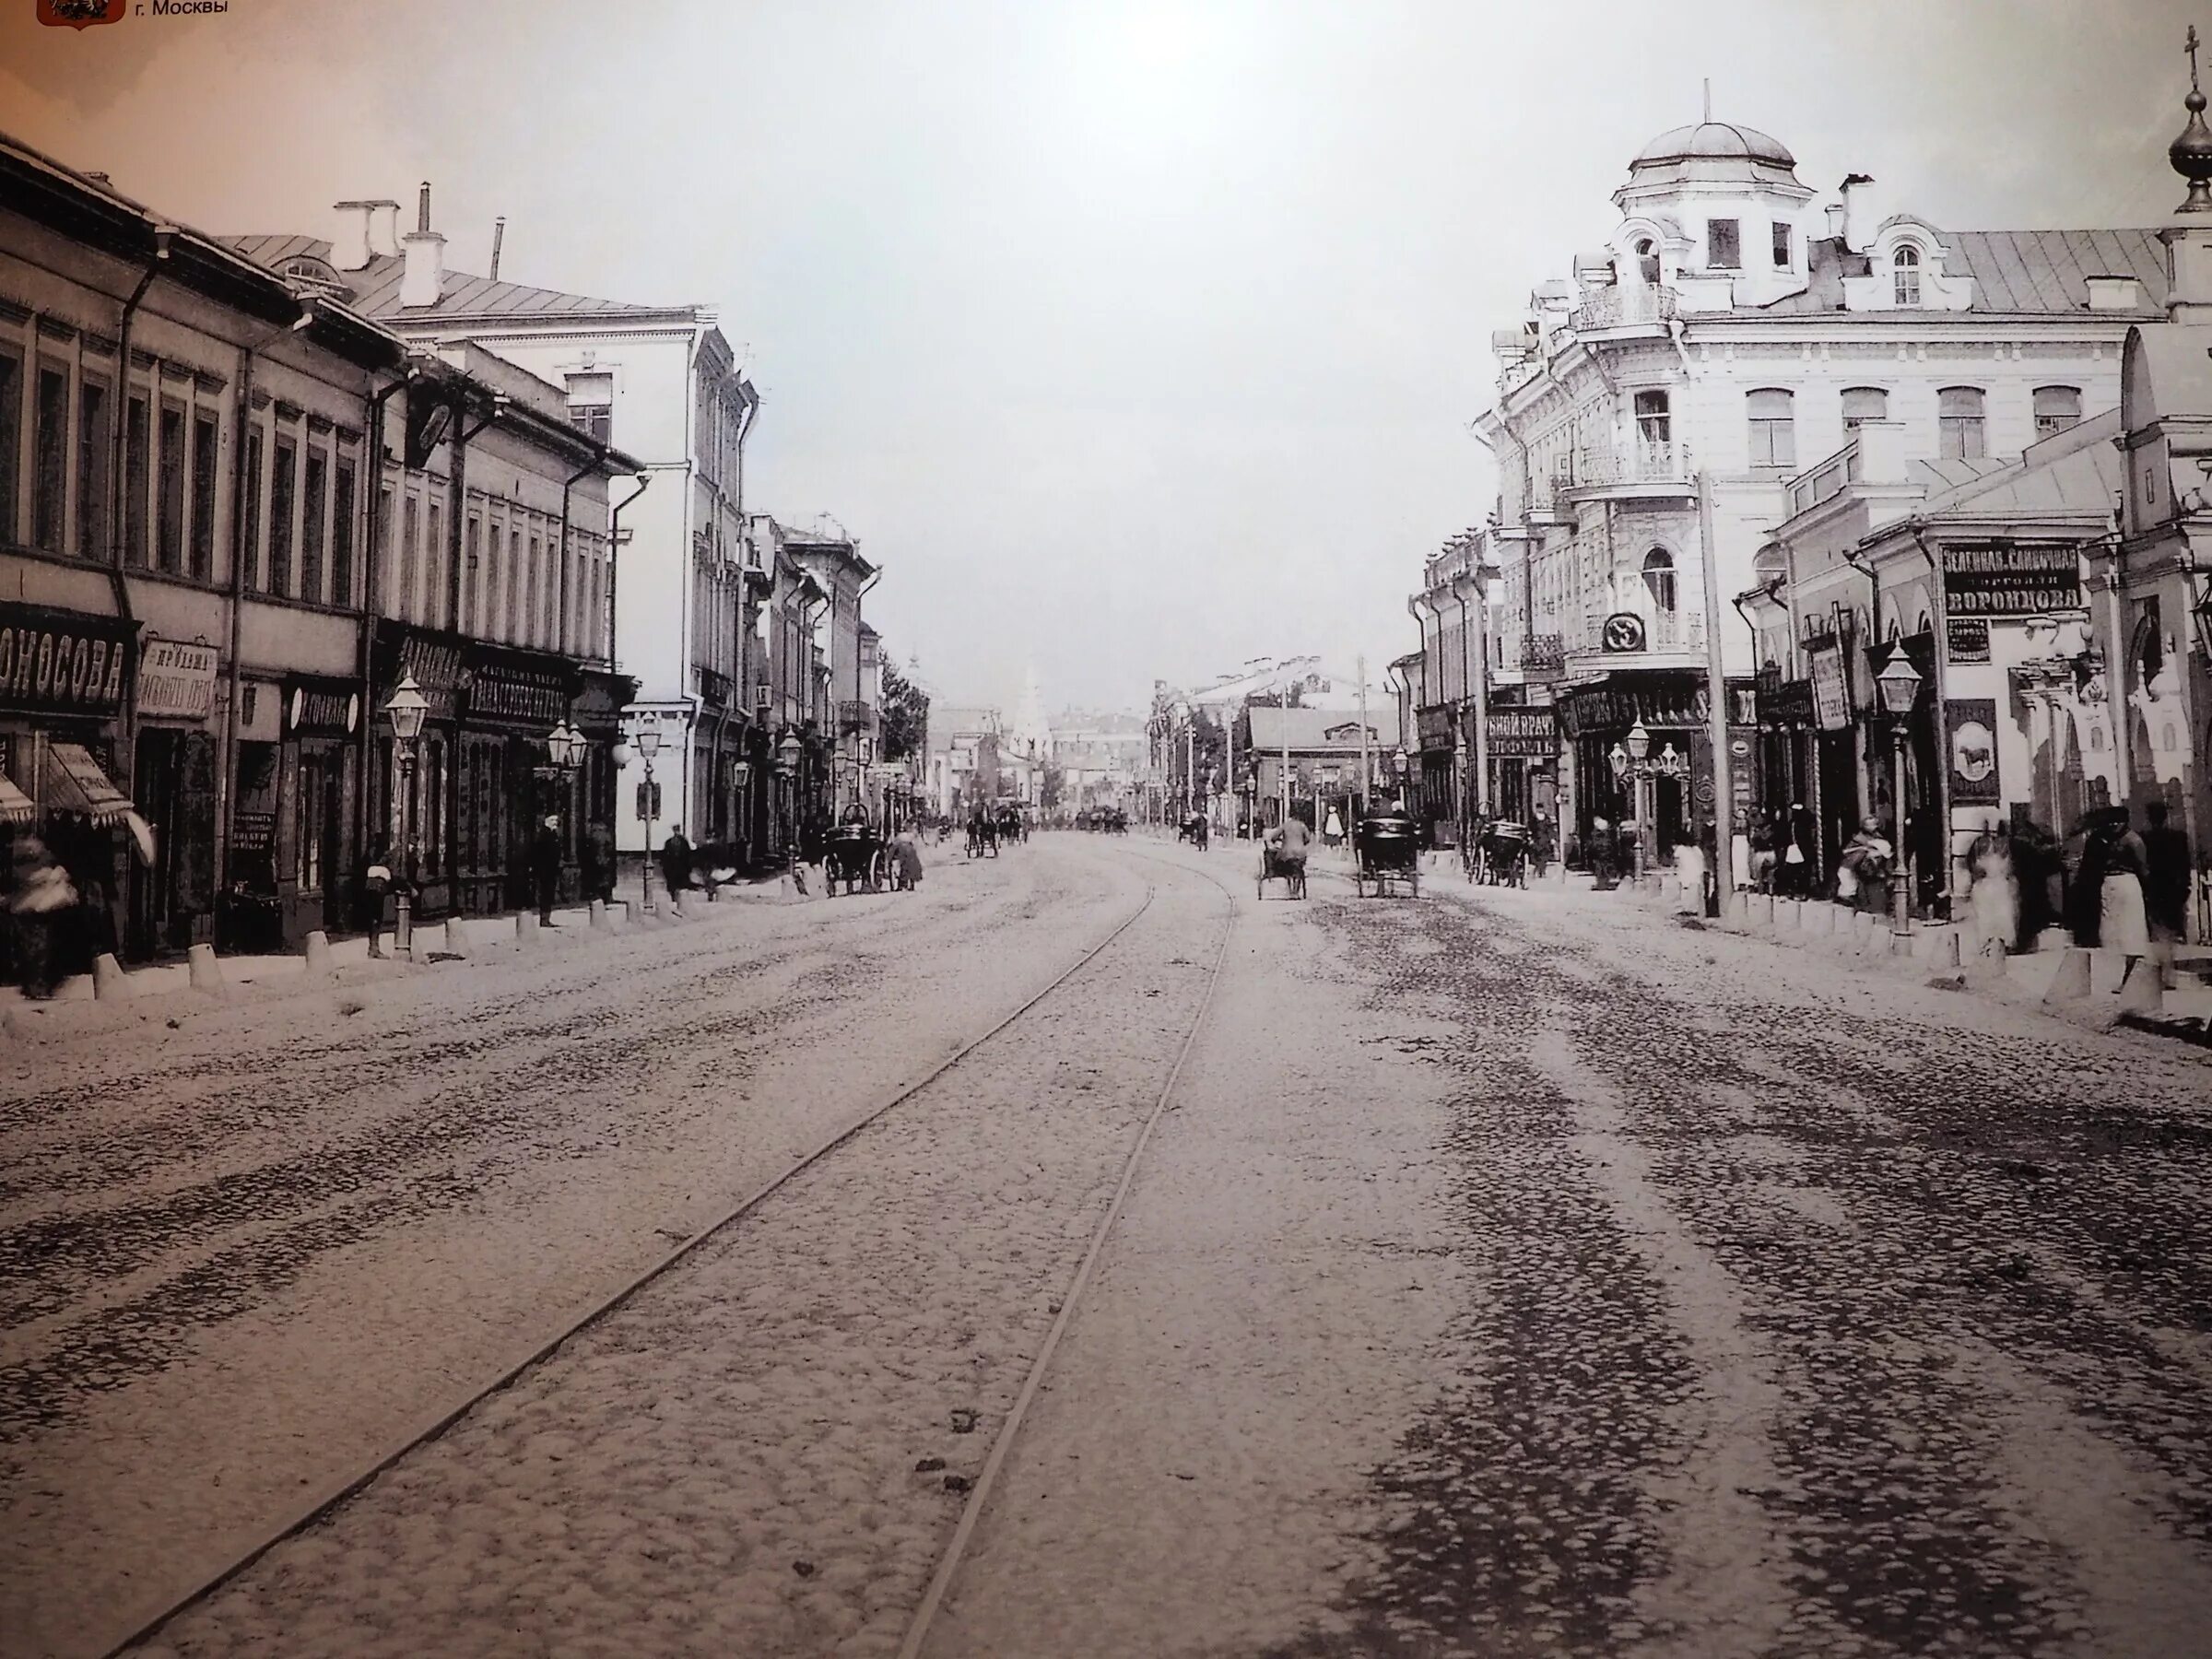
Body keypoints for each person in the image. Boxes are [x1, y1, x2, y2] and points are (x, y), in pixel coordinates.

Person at [6, 833, 75, 999]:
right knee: (35, 950)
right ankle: (35, 987)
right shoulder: (22, 857)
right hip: (30, 909)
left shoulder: (30, 854)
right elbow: (23, 878)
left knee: (38, 949)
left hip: (35, 908)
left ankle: (36, 986)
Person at [2087, 806, 2150, 956]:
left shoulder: (2134, 840)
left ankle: (2132, 956)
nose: (2114, 825)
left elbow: (2143, 867)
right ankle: (2113, 954)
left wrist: (2147, 889)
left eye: (2118, 822)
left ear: (2126, 822)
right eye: (2111, 822)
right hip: (2108, 883)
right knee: (2110, 926)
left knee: (2129, 924)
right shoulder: (2105, 839)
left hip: (2128, 883)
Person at [2143, 800, 2192, 946]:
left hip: (2154, 884)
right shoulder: (2178, 837)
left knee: (2158, 919)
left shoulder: (2145, 838)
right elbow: (2185, 862)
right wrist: (2186, 882)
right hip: (2172, 883)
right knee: (2174, 916)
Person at [1837, 814, 1893, 914]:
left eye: (1874, 825)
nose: (1873, 827)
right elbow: (1846, 851)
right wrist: (1863, 848)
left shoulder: (1879, 836)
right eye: (1869, 825)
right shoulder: (1858, 838)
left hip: (1873, 868)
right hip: (1858, 867)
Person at [532, 814, 565, 926]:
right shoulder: (543, 834)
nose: (555, 822)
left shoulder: (553, 833)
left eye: (556, 820)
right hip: (546, 870)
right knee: (546, 894)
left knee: (549, 894)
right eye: (552, 820)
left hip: (551, 870)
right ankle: (544, 919)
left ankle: (546, 918)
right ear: (546, 821)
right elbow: (539, 853)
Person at [582, 820, 615, 908]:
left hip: (593, 862)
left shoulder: (591, 835)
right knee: (604, 881)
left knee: (595, 882)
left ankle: (596, 900)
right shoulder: (606, 835)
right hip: (604, 861)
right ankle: (605, 900)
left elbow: (586, 849)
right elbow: (610, 848)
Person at [658, 824, 694, 906]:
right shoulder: (684, 841)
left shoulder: (670, 842)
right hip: (681, 868)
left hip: (673, 868)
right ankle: (681, 902)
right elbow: (688, 855)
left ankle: (675, 900)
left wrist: (665, 867)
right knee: (681, 886)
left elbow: (664, 856)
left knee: (673, 886)